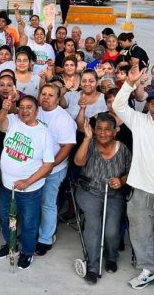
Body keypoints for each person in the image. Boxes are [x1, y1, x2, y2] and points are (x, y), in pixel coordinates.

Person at [0, 95, 55, 270]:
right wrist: (5, 108)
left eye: (29, 107)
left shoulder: (43, 133)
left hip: (30, 190)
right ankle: (10, 245)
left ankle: (27, 253)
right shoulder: (12, 120)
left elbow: (48, 165)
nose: (25, 110)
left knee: (29, 223)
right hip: (7, 186)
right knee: (6, 218)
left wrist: (28, 182)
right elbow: (0, 124)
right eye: (21, 107)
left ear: (37, 110)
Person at [73, 114, 131, 285]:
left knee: (112, 230)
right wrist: (86, 138)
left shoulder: (123, 149)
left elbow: (131, 172)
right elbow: (78, 161)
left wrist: (121, 180)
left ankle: (111, 257)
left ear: (115, 131)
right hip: (89, 191)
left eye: (107, 129)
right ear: (94, 130)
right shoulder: (89, 144)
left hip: (114, 195)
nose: (103, 133)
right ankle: (92, 266)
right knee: (94, 225)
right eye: (99, 129)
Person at [113, 66, 154, 289]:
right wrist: (129, 83)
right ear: (149, 105)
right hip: (141, 187)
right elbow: (118, 105)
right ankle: (148, 269)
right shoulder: (139, 121)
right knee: (140, 230)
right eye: (153, 103)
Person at [35, 84, 76, 256]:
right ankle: (33, 231)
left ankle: (46, 238)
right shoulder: (36, 110)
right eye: (43, 94)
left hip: (54, 169)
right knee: (34, 202)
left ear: (58, 99)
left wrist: (49, 166)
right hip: (34, 167)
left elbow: (67, 147)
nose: (45, 97)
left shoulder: (63, 119)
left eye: (50, 95)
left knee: (47, 203)